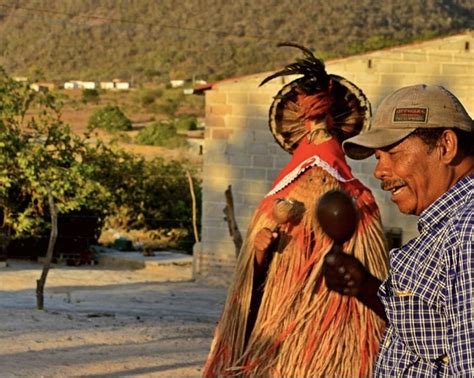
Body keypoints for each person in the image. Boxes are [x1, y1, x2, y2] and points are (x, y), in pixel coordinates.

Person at [204, 44, 389, 377]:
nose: (319, 131)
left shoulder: (360, 203)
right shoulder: (276, 204)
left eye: (323, 121)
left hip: (336, 345)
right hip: (276, 340)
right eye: (313, 120)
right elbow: (248, 290)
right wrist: (259, 254)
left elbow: (372, 287)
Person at [323, 84, 474, 376]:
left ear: (446, 146)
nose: (379, 171)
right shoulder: (446, 227)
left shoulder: (467, 230)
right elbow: (435, 335)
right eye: (378, 157)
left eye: (393, 152)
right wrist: (367, 287)